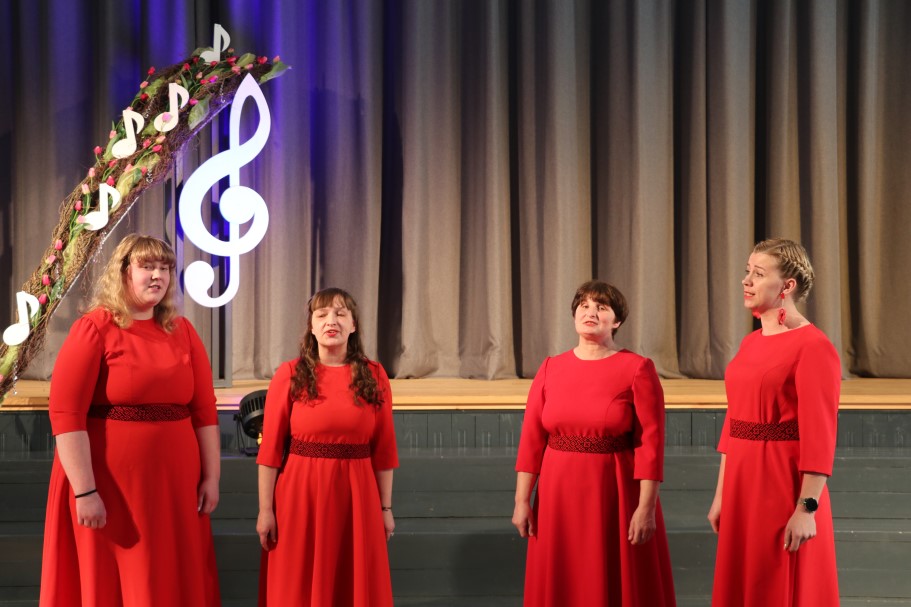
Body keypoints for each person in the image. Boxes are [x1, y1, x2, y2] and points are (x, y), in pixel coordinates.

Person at [39, 234, 221, 607]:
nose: (158, 276)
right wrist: (85, 492)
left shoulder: (183, 332)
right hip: (111, 488)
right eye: (147, 266)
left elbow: (204, 412)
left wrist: (212, 477)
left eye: (165, 268)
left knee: (166, 577)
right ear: (123, 272)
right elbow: (66, 415)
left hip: (173, 488)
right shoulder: (95, 328)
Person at [512, 280, 676, 607]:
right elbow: (531, 439)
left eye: (601, 307)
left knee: (612, 579)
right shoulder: (551, 368)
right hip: (557, 498)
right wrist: (521, 500)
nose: (590, 312)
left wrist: (646, 508)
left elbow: (650, 445)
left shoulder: (637, 368)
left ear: (617, 321)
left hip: (613, 495)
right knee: (563, 578)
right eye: (584, 306)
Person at [708, 238, 841, 605]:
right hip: (742, 484)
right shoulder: (750, 343)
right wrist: (721, 495)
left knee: (775, 582)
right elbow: (734, 422)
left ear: (787, 286)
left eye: (758, 273)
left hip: (781, 485)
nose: (746, 280)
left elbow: (821, 437)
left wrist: (806, 509)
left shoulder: (814, 347)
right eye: (747, 271)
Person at [256, 287, 398, 607]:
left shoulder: (375, 376)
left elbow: (384, 450)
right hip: (299, 498)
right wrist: (265, 510)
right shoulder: (290, 374)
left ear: (353, 325)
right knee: (297, 584)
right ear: (311, 326)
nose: (331, 321)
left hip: (356, 496)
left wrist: (385, 509)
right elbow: (270, 452)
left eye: (340, 314)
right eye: (321, 315)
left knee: (350, 582)